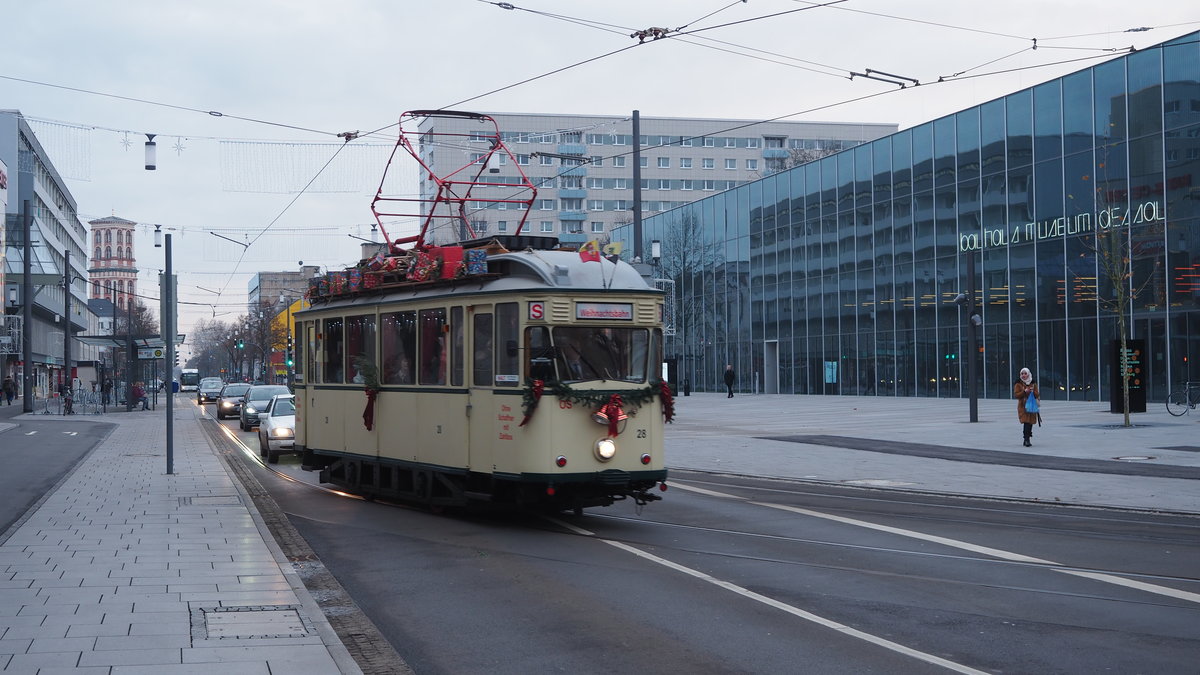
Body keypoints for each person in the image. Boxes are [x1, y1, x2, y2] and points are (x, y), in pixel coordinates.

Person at [1013, 367, 1040, 447]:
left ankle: (1028, 438)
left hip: (1031, 405)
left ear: (1028, 374)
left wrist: (1032, 391)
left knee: (1030, 423)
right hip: (1023, 406)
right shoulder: (1018, 384)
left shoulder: (1033, 383)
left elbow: (1037, 394)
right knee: (1026, 422)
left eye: (1025, 374)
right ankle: (1026, 439)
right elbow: (1016, 395)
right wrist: (1024, 392)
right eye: (1022, 374)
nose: (1023, 375)